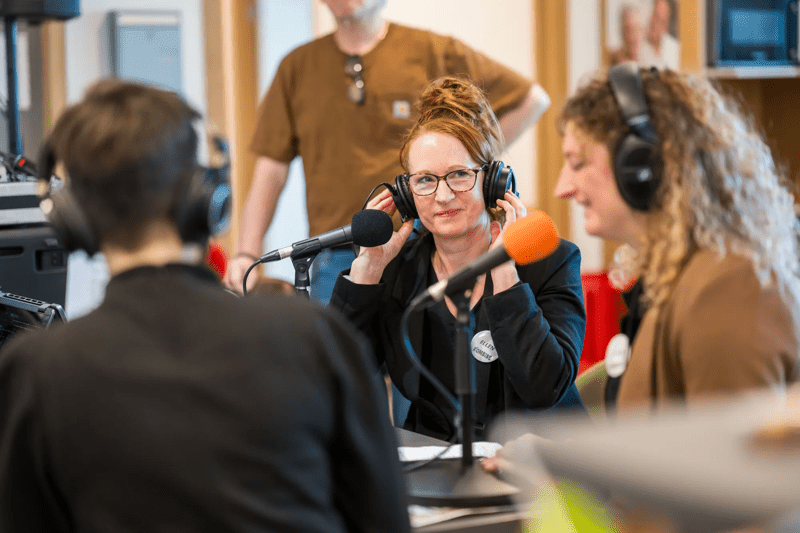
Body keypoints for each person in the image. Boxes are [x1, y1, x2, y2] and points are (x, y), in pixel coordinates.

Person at [0, 80, 410, 532]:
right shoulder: (310, 335)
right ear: (209, 197)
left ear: (71, 217)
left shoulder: (37, 370)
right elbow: (384, 519)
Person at [223, 0, 551, 303]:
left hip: (421, 246)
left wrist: (471, 160)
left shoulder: (432, 50)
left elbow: (532, 100)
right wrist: (246, 254)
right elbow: (271, 171)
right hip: (334, 257)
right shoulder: (296, 68)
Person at [329, 76, 586, 441]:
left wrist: (505, 274)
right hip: (436, 458)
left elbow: (544, 389)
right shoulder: (398, 271)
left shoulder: (551, 261)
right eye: (425, 180)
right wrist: (368, 271)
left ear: (493, 182)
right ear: (406, 194)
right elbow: (335, 378)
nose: (443, 195)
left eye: (460, 175)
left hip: (539, 460)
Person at [554, 62, 800, 410]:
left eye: (578, 163)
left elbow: (728, 445)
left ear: (641, 164)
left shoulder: (727, 285)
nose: (562, 188)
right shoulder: (675, 278)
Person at [639, 0, 679, 69]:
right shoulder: (635, 44)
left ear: (667, 26)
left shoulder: (676, 50)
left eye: (660, 20)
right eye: (654, 15)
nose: (653, 22)